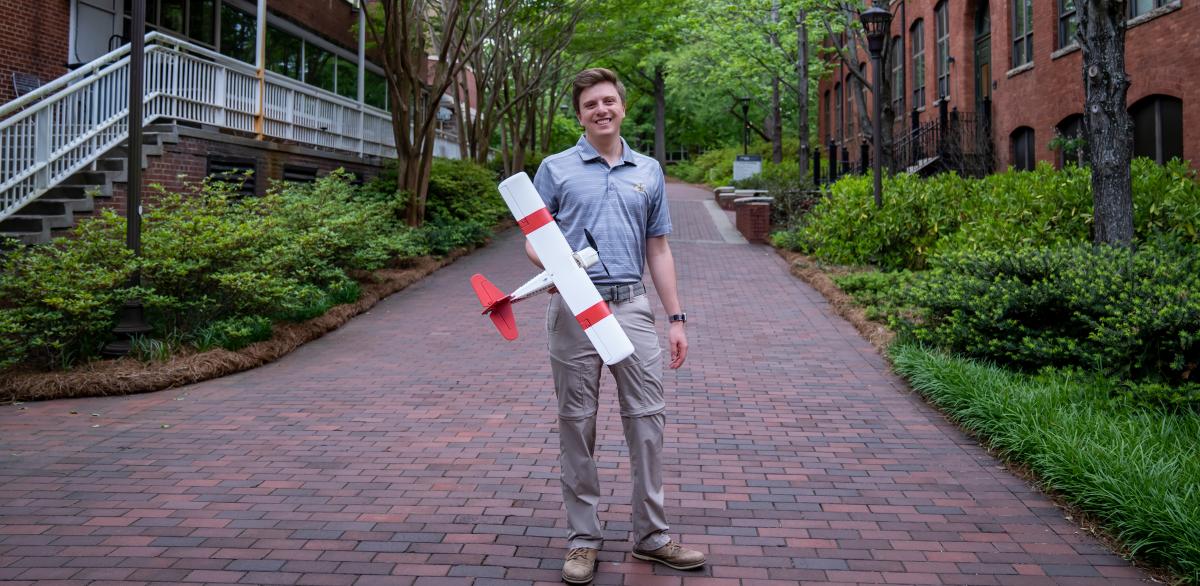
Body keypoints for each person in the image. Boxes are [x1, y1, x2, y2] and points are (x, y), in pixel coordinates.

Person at [527, 67, 705, 584]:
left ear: (623, 107)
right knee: (576, 423)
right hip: (574, 309)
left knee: (647, 420)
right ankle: (583, 538)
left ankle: (652, 537)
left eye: (608, 101)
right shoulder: (555, 169)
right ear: (580, 115)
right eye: (590, 105)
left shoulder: (647, 171)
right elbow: (533, 238)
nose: (601, 110)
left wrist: (675, 318)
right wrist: (551, 268)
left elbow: (659, 248)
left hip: (631, 308)